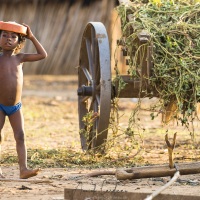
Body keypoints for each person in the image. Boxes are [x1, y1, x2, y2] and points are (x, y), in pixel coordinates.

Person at [0, 22, 47, 179]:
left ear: (19, 42)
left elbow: (43, 55)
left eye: (13, 36)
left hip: (15, 107)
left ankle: (23, 169)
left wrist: (31, 37)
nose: (8, 39)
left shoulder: (20, 58)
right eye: (4, 35)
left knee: (20, 136)